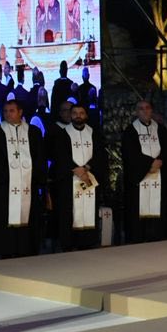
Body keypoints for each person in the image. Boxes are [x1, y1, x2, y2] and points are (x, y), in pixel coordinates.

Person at [0, 98, 46, 258]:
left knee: (28, 217)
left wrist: (35, 177)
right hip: (4, 186)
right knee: (4, 217)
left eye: (11, 111)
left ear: (20, 112)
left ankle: (27, 250)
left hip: (28, 184)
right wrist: (9, 176)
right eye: (5, 111)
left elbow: (39, 157)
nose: (7, 114)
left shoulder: (33, 132)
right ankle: (5, 250)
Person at [50, 101, 107, 251]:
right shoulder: (63, 133)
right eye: (74, 113)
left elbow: (100, 154)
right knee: (69, 211)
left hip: (89, 176)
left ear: (86, 115)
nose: (78, 116)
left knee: (89, 208)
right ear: (70, 115)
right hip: (69, 179)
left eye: (81, 113)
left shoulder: (94, 133)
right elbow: (59, 155)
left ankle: (88, 241)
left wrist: (87, 167)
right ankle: (69, 243)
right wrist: (75, 169)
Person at [120, 99, 167, 243]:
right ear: (136, 112)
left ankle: (158, 236)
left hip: (159, 173)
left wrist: (160, 161)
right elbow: (129, 153)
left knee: (159, 206)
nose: (145, 111)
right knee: (137, 208)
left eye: (147, 108)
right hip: (139, 177)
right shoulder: (130, 131)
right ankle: (138, 238)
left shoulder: (160, 129)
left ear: (151, 110)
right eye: (141, 108)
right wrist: (149, 163)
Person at [50, 61, 75, 127]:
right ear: (67, 71)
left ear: (60, 71)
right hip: (68, 119)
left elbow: (53, 103)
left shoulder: (56, 84)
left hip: (58, 118)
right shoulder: (70, 83)